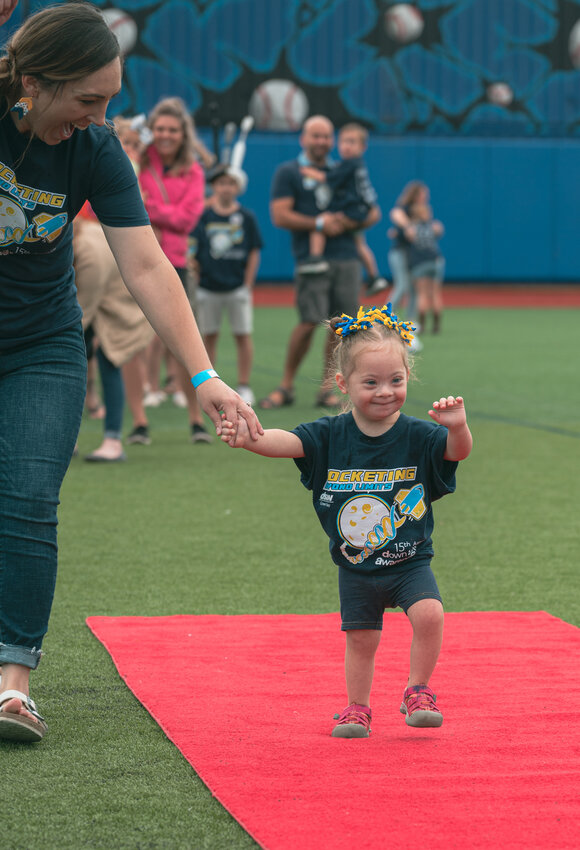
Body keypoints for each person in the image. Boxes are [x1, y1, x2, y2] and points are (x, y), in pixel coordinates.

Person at [0, 2, 261, 743]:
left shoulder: (96, 147)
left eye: (109, 100)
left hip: (40, 342)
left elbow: (146, 262)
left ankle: (11, 683)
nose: (99, 116)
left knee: (25, 496)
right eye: (87, 99)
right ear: (32, 81)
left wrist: (205, 377)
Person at [222, 304, 472, 737]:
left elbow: (456, 453)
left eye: (396, 380)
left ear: (407, 377)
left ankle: (418, 690)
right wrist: (250, 440)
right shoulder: (329, 435)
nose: (385, 391)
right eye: (370, 382)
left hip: (410, 560)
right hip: (356, 568)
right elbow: (287, 442)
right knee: (361, 640)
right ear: (343, 384)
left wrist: (457, 427)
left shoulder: (420, 435)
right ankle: (358, 708)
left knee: (430, 614)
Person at [259, 115, 381, 411]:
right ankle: (286, 385)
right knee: (307, 321)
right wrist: (318, 223)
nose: (321, 142)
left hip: (346, 257)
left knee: (341, 327)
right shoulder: (289, 172)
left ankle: (327, 388)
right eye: (315, 135)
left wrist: (346, 221)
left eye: (326, 136)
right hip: (311, 259)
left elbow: (374, 213)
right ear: (303, 138)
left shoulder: (343, 169)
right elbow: (279, 215)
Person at [139, 96, 216, 443]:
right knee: (126, 342)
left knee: (184, 341)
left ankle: (195, 420)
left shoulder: (194, 170)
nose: (165, 135)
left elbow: (186, 220)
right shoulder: (138, 160)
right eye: (160, 128)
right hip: (137, 260)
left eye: (172, 129)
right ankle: (137, 420)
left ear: (183, 133)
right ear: (151, 130)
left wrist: (147, 208)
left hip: (176, 263)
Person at [190, 164, 262, 405]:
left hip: (237, 287)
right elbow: (193, 249)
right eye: (221, 183)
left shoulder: (247, 217)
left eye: (230, 183)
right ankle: (211, 383)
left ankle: (244, 384)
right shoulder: (204, 216)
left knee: (242, 335)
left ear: (238, 187)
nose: (226, 188)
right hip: (208, 287)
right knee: (208, 336)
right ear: (213, 186)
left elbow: (254, 250)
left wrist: (248, 283)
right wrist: (197, 276)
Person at [298, 122, 388, 297]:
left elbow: (329, 178)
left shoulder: (349, 163)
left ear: (363, 147)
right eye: (344, 142)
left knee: (321, 223)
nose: (347, 146)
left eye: (352, 142)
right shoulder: (357, 164)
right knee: (359, 243)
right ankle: (374, 276)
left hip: (355, 209)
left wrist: (311, 172)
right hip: (362, 209)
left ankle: (315, 259)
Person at [403, 182, 445, 335]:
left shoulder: (413, 228)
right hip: (435, 260)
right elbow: (439, 230)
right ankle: (436, 326)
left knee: (421, 294)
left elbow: (407, 236)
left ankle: (421, 326)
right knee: (435, 293)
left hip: (420, 262)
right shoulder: (433, 226)